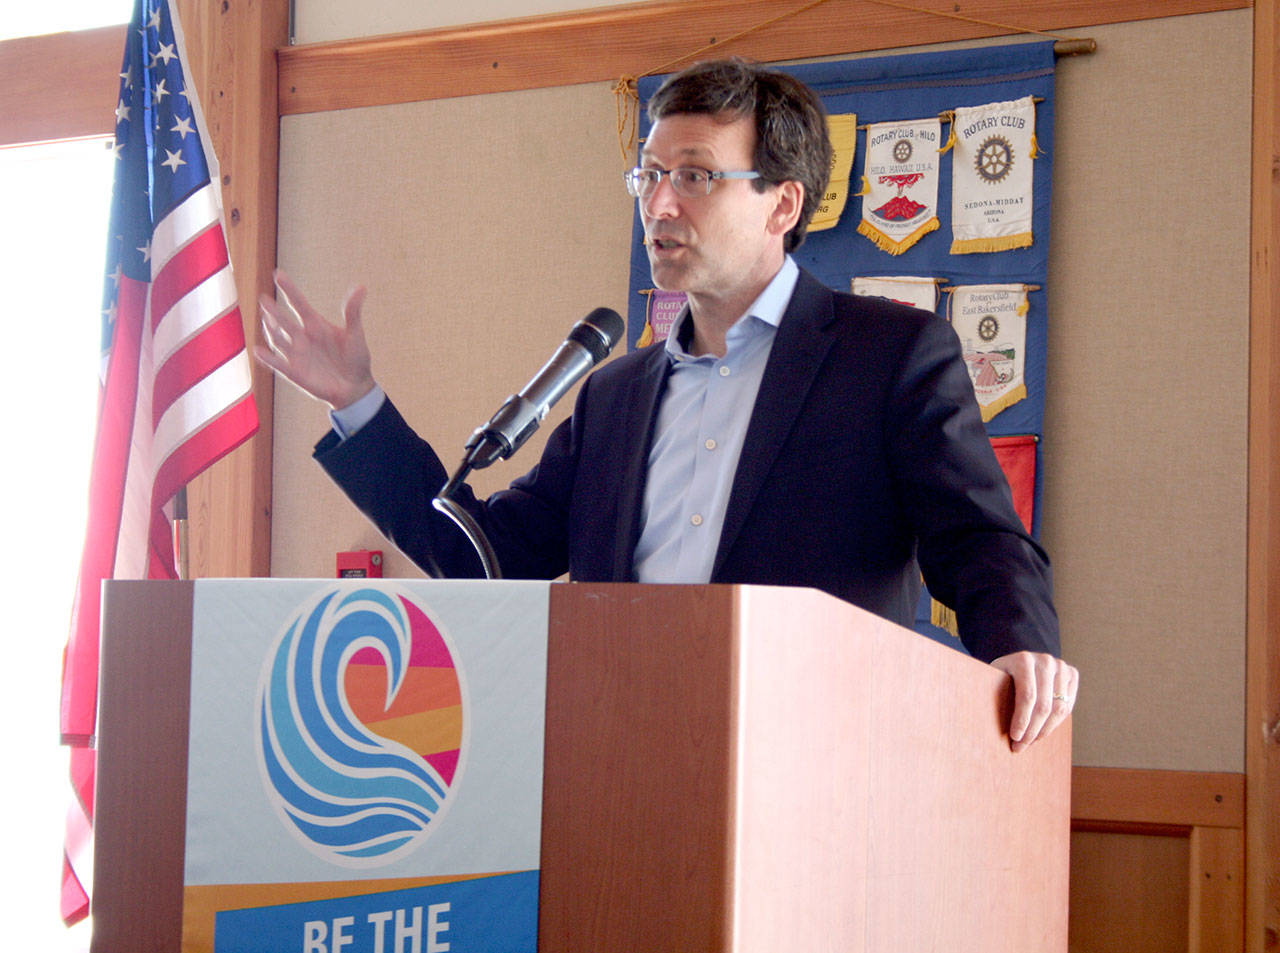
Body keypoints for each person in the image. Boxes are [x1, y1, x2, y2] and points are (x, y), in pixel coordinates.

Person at [257, 58, 1078, 751]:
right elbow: (486, 559)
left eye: (694, 176)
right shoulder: (615, 395)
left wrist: (1020, 646)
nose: (659, 205)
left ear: (783, 204)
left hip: (816, 770)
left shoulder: (888, 356)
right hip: (622, 763)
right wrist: (358, 403)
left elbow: (978, 538)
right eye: (649, 176)